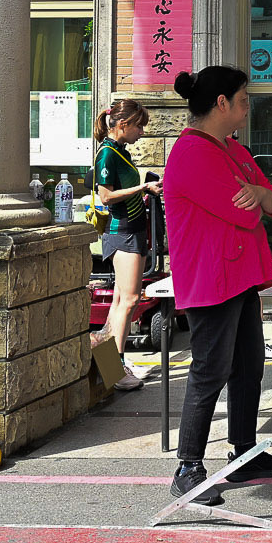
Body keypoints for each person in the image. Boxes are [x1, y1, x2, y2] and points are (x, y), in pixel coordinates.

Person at [162, 65, 272, 500]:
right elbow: (245, 212)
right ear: (221, 103)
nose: (248, 107)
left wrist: (261, 194)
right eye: (243, 100)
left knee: (249, 365)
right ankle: (188, 466)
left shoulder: (233, 148)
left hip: (239, 275)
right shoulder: (193, 152)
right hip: (211, 278)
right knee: (210, 369)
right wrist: (259, 195)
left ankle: (243, 452)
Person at [92, 98, 162, 391]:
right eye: (139, 127)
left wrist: (145, 190)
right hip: (123, 233)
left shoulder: (119, 151)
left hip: (131, 231)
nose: (142, 133)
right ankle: (116, 368)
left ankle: (108, 362)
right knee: (129, 299)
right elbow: (106, 196)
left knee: (121, 299)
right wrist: (143, 187)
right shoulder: (107, 154)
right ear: (123, 124)